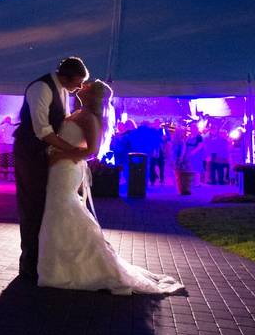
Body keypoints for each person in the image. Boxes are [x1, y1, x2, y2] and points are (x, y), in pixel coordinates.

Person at [38, 80, 184, 295]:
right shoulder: (78, 112)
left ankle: (78, 266)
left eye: (86, 87)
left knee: (63, 208)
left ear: (93, 96)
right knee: (57, 210)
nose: (81, 87)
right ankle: (60, 264)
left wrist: (61, 155)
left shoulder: (89, 118)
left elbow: (92, 151)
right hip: (59, 166)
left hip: (68, 168)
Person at [13, 56, 89, 281]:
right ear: (66, 75)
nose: (80, 86)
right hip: (29, 153)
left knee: (47, 206)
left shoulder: (63, 90)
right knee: (32, 206)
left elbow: (60, 123)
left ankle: (43, 261)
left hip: (47, 154)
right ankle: (29, 264)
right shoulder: (41, 88)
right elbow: (42, 130)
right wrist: (72, 150)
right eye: (78, 80)